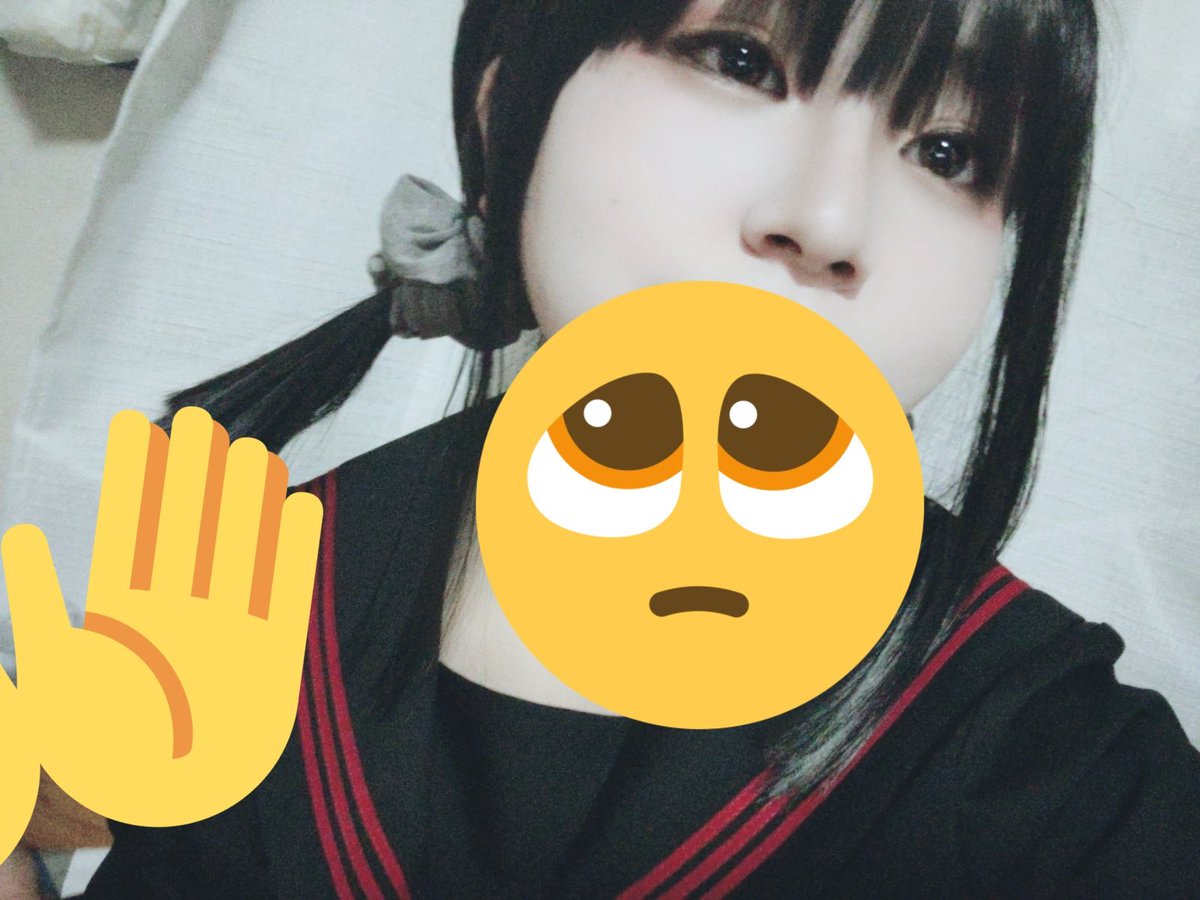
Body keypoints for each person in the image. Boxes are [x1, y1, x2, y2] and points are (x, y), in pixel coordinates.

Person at [58, 0, 1200, 895]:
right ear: (510, 101)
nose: (828, 222)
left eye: (950, 151)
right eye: (742, 61)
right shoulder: (245, 601)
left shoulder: (1052, 757)